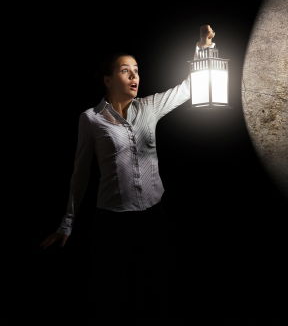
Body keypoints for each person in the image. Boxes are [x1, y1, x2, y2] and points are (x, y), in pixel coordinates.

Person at [39, 24, 218, 323]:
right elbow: (80, 172)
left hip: (154, 216)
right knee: (115, 295)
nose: (135, 76)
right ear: (108, 79)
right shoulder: (91, 120)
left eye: (136, 69)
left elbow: (187, 87)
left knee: (156, 290)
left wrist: (203, 48)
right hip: (113, 222)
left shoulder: (150, 107)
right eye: (125, 70)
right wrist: (67, 222)